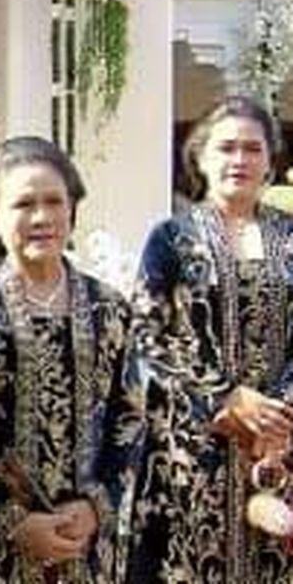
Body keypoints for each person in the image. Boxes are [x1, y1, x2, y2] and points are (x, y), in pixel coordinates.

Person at [0, 137, 143, 583]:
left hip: (86, 544)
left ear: (72, 211)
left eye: (54, 202)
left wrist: (95, 506)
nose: (41, 217)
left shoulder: (110, 309)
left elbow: (131, 416)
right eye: (23, 204)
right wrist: (14, 520)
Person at [126, 95, 293, 583]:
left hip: (282, 444)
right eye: (226, 148)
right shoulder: (171, 238)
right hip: (194, 445)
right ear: (200, 157)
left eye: (252, 149)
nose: (239, 159)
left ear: (270, 161)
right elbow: (145, 336)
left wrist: (281, 412)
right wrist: (226, 398)